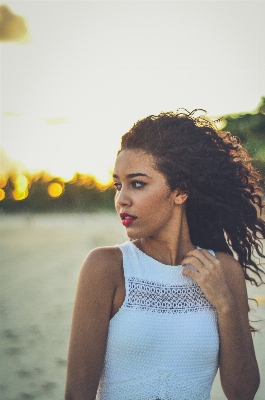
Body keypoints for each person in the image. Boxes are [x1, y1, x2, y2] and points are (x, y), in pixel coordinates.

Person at [65, 109, 265, 400]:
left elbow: (243, 392)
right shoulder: (106, 267)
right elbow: (76, 395)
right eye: (118, 185)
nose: (121, 199)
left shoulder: (223, 270)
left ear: (180, 191)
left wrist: (224, 304)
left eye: (137, 183)